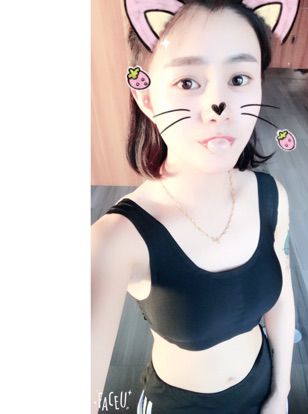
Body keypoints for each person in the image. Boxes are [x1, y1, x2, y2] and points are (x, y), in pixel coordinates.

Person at [92, 1, 296, 413]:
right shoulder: (114, 241)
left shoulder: (271, 196)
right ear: (147, 99)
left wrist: (282, 391)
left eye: (239, 78)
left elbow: (282, 296)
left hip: (262, 386)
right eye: (187, 82)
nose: (220, 108)